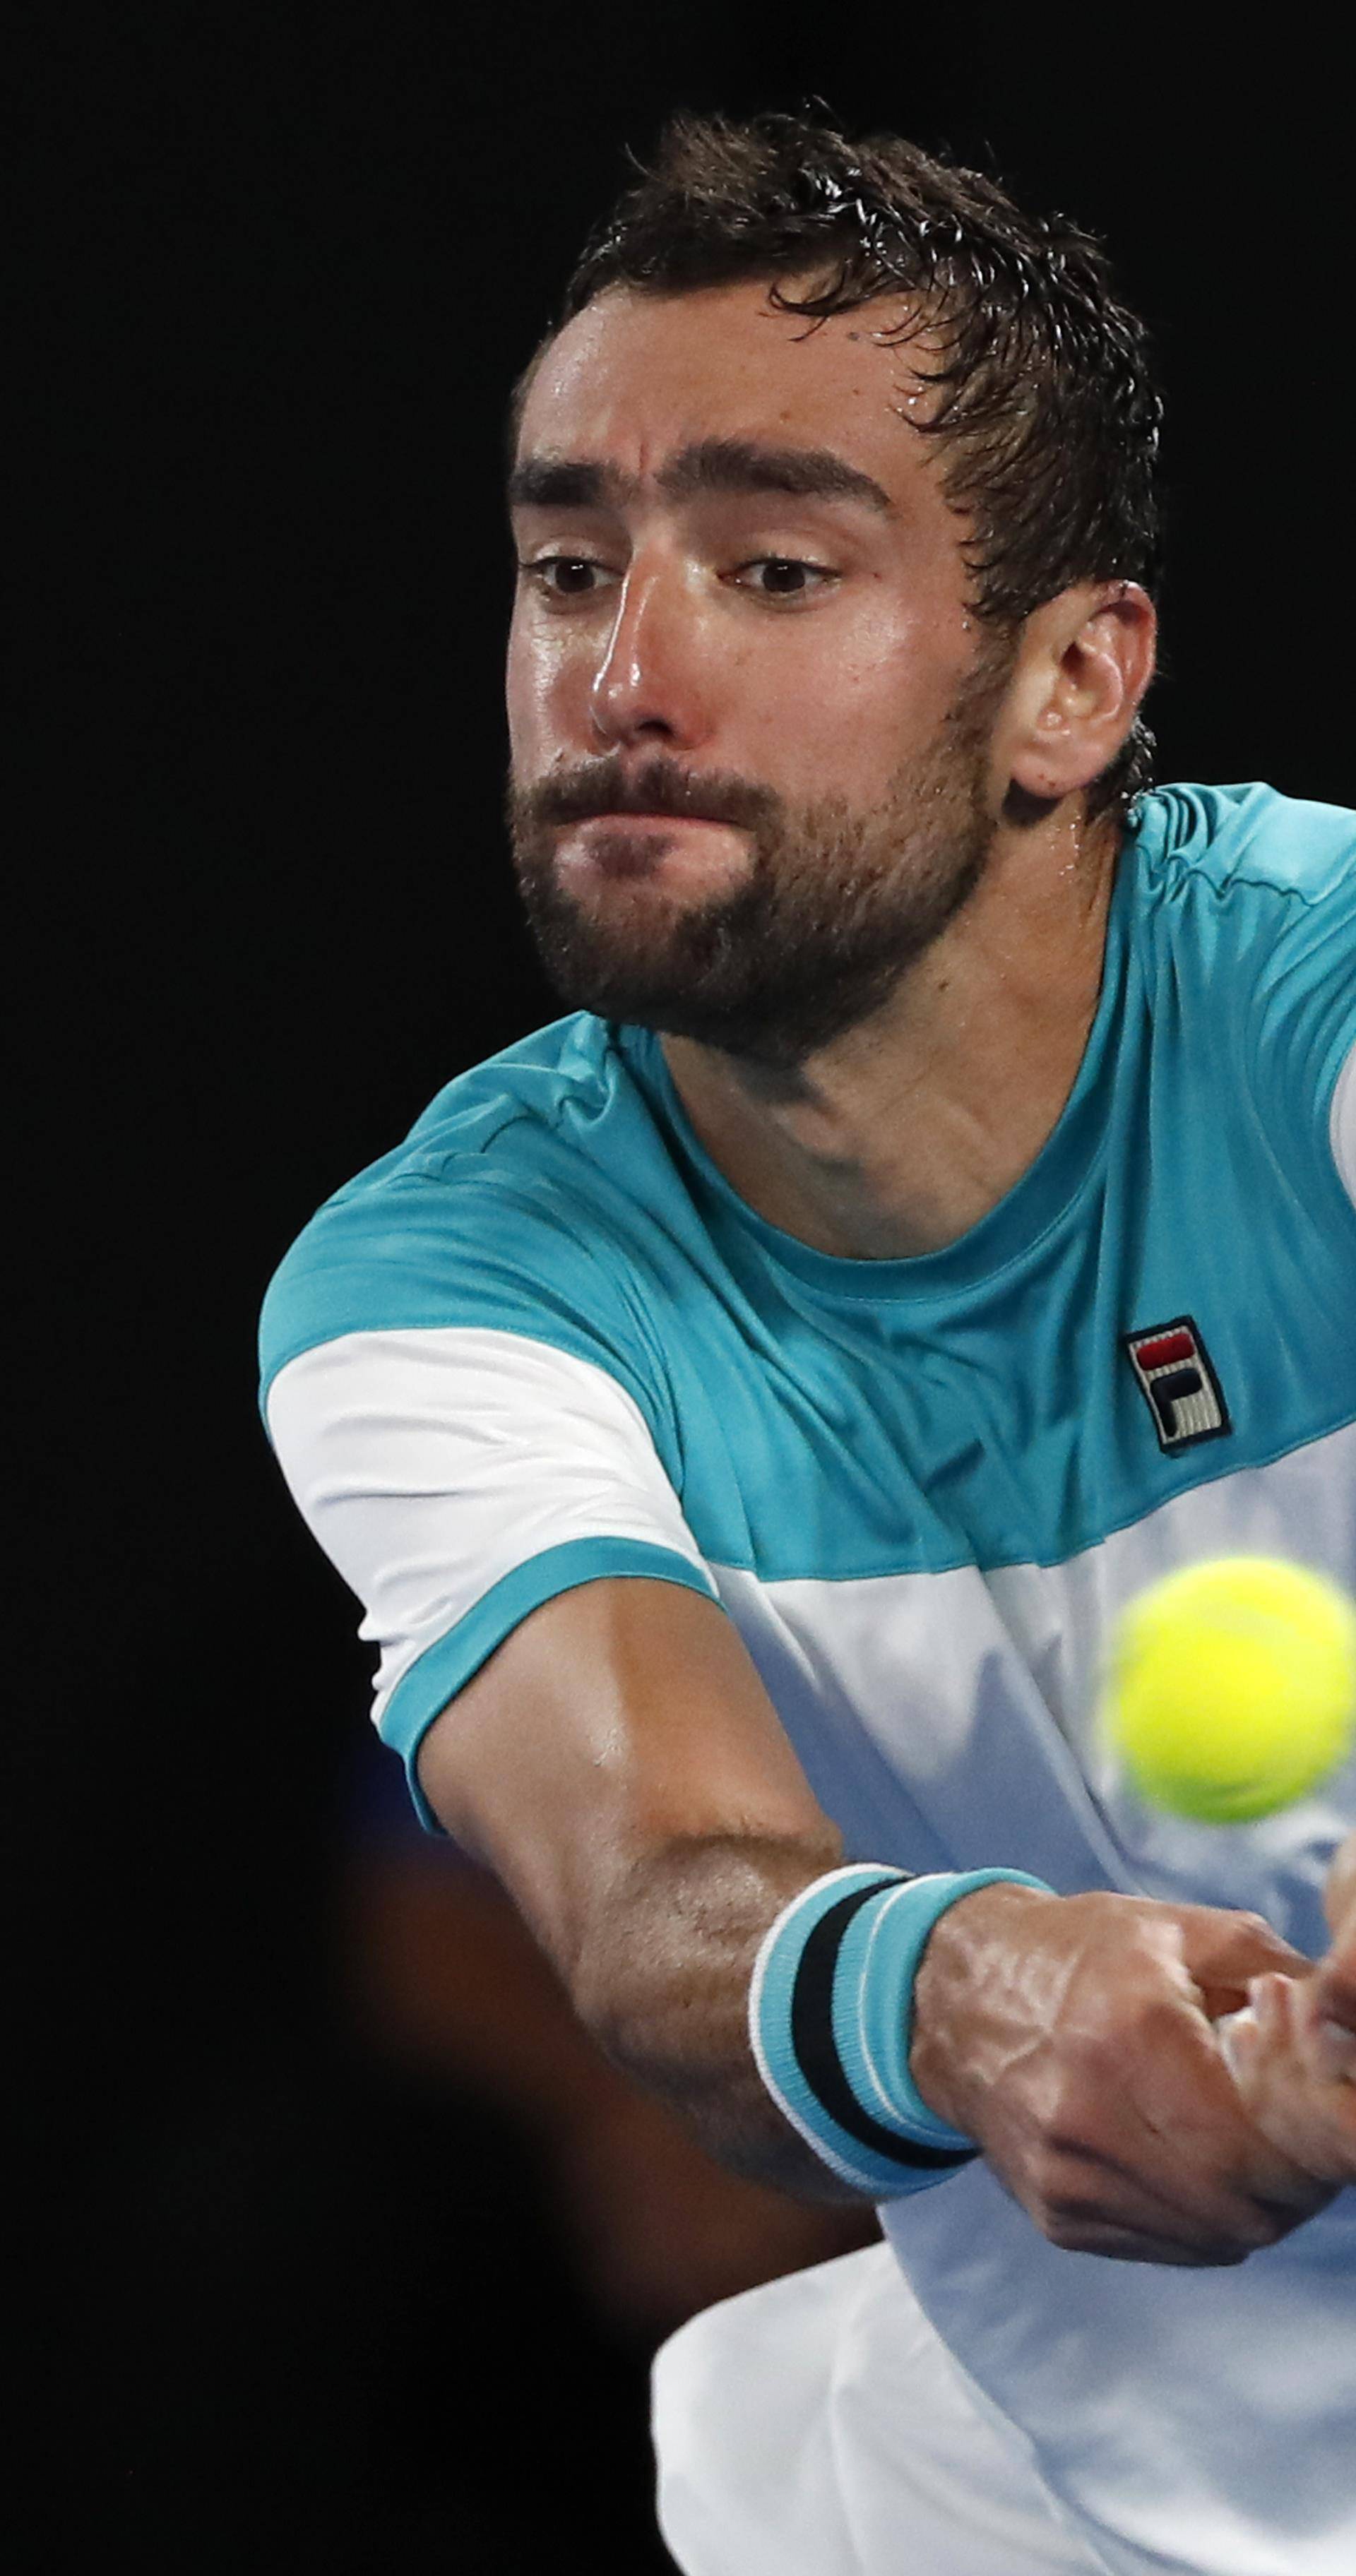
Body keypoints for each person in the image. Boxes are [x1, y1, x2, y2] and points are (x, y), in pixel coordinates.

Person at [258, 109, 1356, 2576]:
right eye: (566, 568)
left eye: (770, 567)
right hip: (1049, 2508)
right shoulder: (446, 1281)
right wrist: (962, 1984)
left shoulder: (1322, 993)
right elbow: (657, 1894)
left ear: (1073, 679)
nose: (622, 674)